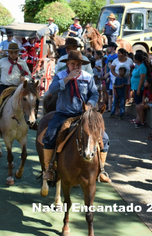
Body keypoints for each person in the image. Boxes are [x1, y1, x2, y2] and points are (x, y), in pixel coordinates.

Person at [42, 50, 110, 182]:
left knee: (104, 138)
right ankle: (48, 168)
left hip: (83, 115)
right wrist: (67, 79)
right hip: (63, 114)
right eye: (73, 64)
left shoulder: (87, 77)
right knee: (50, 134)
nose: (76, 67)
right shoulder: (60, 75)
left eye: (79, 64)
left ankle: (101, 170)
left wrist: (90, 104)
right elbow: (52, 90)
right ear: (67, 64)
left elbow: (95, 94)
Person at [0, 43, 31, 131]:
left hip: (18, 87)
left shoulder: (22, 63)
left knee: (31, 99)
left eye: (16, 53)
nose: (13, 55)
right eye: (11, 52)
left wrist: (25, 79)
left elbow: (29, 75)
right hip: (4, 86)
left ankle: (32, 119)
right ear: (8, 53)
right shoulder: (2, 61)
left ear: (18, 53)